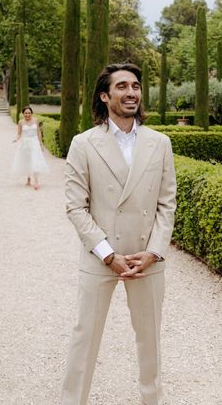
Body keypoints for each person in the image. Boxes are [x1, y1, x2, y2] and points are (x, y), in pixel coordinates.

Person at [61, 63, 177, 405]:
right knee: (85, 337)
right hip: (100, 258)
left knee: (150, 340)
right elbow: (75, 207)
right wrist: (107, 254)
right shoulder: (83, 144)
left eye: (136, 86)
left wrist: (154, 252)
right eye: (122, 86)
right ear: (105, 96)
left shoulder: (160, 143)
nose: (131, 93)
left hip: (147, 258)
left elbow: (166, 204)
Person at [13, 105, 49, 190]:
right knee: (27, 160)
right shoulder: (21, 122)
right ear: (23, 113)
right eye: (25, 113)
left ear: (31, 113)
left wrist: (40, 144)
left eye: (29, 113)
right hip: (25, 143)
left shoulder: (36, 120)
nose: (27, 115)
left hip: (34, 143)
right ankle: (28, 179)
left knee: (35, 160)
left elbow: (39, 133)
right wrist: (17, 139)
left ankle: (36, 182)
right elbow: (19, 133)